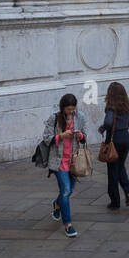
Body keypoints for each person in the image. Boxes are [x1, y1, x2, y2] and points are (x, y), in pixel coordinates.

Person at [41, 94, 87, 238]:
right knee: (66, 191)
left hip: (73, 160)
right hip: (58, 161)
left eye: (73, 109)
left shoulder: (80, 117)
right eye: (68, 109)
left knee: (69, 190)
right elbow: (46, 138)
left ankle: (57, 204)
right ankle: (68, 224)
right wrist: (60, 136)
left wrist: (80, 136)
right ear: (63, 107)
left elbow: (85, 136)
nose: (71, 112)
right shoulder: (54, 118)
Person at [99, 82, 129, 211]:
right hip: (126, 137)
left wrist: (103, 128)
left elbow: (108, 122)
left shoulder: (111, 107)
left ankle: (115, 201)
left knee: (113, 170)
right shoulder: (127, 105)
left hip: (114, 140)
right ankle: (128, 190)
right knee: (121, 166)